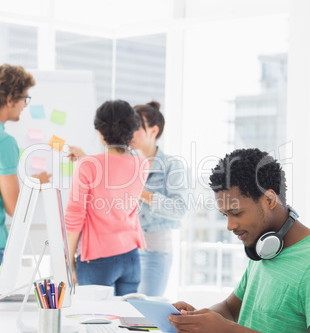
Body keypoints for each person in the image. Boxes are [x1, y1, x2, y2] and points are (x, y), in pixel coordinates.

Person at [168, 148, 310, 333]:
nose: (230, 226)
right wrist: (198, 320)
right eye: (225, 215)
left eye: (236, 213)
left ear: (269, 199)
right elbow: (230, 310)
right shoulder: (265, 248)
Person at [65, 100, 148, 295]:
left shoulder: (88, 166)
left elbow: (74, 217)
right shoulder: (141, 164)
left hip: (97, 260)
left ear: (101, 133)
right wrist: (85, 160)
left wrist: (67, 262)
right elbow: (112, 181)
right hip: (131, 257)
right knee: (126, 323)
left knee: (95, 323)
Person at [130, 101, 189, 297]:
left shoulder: (172, 165)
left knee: (144, 315)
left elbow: (180, 208)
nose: (130, 132)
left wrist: (143, 193)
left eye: (136, 127)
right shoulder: (126, 164)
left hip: (154, 251)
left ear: (153, 131)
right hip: (125, 251)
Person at [0, 64, 51, 265]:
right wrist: (35, 184)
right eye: (24, 99)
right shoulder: (4, 142)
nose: (25, 105)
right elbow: (14, 207)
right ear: (10, 99)